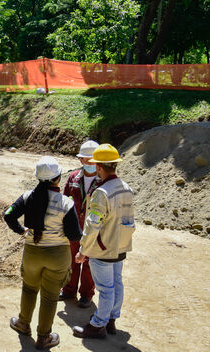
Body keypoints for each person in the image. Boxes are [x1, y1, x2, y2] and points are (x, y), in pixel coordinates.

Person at [5, 156, 82, 350]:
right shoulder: (66, 203)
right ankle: (44, 337)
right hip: (57, 255)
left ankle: (23, 323)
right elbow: (74, 235)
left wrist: (22, 230)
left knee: (29, 289)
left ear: (38, 178)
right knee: (49, 296)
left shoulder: (27, 197)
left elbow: (8, 215)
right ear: (58, 178)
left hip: (32, 253)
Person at [72, 143, 135, 339]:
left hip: (103, 249)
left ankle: (97, 325)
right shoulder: (126, 188)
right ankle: (111, 320)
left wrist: (83, 249)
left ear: (99, 167)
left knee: (106, 289)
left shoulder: (102, 193)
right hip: (120, 246)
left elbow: (92, 225)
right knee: (117, 284)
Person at [59, 140, 101, 308]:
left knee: (89, 262)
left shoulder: (104, 180)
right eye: (86, 160)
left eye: (93, 160)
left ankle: (86, 294)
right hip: (74, 227)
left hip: (94, 229)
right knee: (72, 260)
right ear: (80, 160)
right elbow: (64, 201)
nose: (90, 163)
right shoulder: (72, 178)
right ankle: (69, 289)